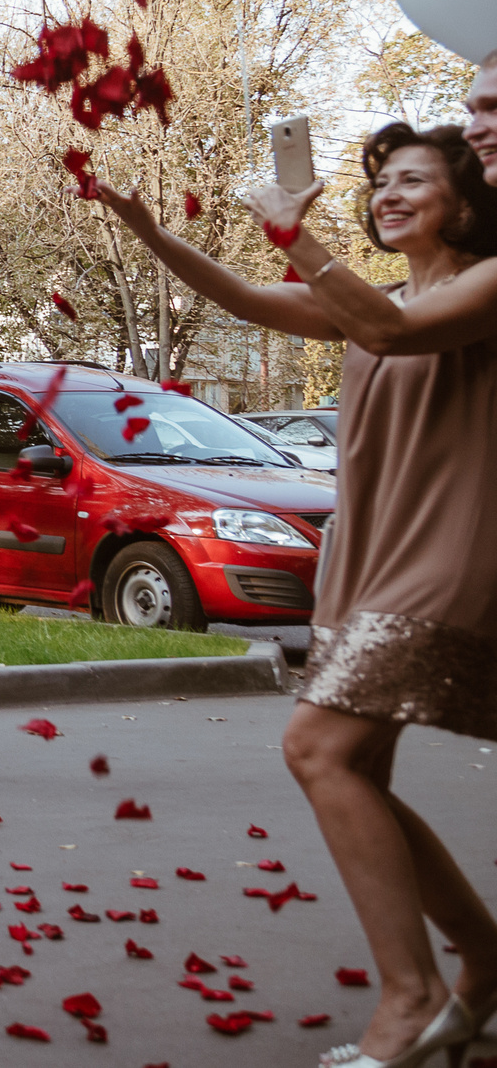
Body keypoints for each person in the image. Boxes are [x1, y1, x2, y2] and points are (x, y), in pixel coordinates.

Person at [99, 122, 497, 1068]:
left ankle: (409, 996)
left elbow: (393, 333)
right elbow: (242, 296)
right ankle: (483, 957)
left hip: (445, 557)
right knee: (357, 768)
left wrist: (294, 234)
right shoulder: (368, 297)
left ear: (467, 205)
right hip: (370, 563)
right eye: (381, 181)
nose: (389, 193)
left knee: (317, 747)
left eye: (415, 180)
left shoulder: (484, 286)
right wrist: (152, 231)